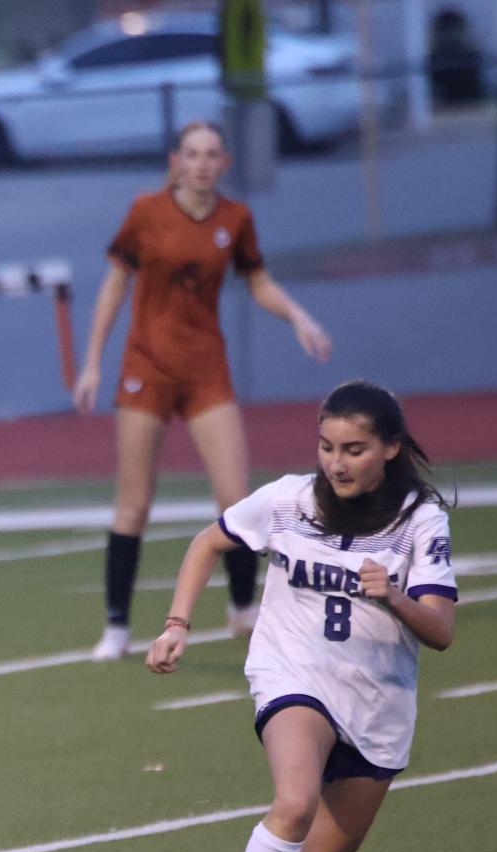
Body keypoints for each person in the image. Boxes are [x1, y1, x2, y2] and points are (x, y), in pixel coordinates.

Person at [146, 381, 455, 852]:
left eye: (354, 450)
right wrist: (177, 624)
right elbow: (208, 542)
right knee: (294, 800)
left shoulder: (419, 521)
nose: (336, 463)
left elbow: (441, 631)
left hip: (377, 702)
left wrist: (393, 597)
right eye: (327, 447)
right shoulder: (288, 499)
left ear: (391, 447)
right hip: (292, 675)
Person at [73, 120, 334, 663]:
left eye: (212, 154)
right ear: (175, 161)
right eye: (191, 154)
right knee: (134, 504)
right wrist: (92, 362)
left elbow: (257, 280)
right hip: (146, 368)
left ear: (224, 163)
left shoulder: (235, 218)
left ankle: (242, 608)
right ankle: (116, 626)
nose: (201, 164)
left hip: (206, 371)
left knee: (235, 499)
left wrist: (298, 317)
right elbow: (115, 284)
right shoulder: (146, 211)